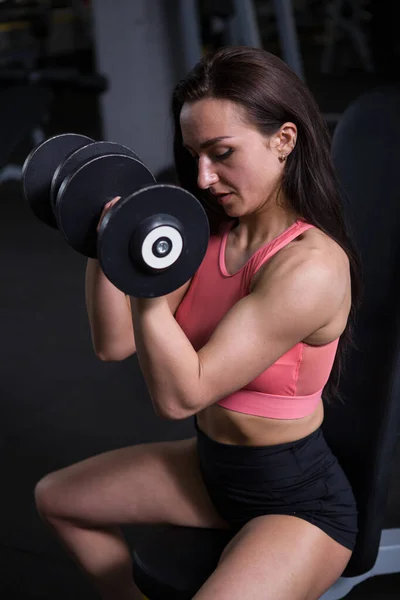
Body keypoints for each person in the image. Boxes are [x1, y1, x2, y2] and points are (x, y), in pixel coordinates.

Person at [34, 46, 362, 600]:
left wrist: (139, 273)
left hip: (296, 501)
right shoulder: (208, 232)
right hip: (211, 471)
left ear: (283, 140)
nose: (204, 177)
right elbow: (114, 344)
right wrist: (104, 236)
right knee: (58, 499)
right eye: (194, 156)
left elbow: (181, 396)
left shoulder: (310, 267)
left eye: (222, 153)